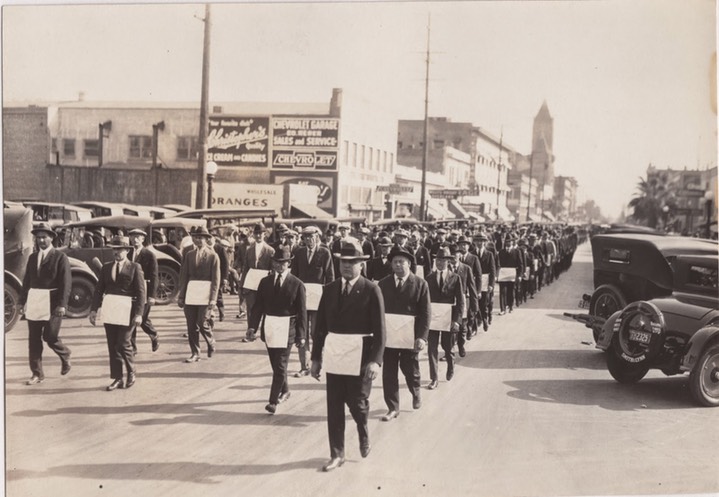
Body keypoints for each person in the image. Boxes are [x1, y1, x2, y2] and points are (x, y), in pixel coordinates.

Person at [311, 240, 385, 472]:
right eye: (343, 262)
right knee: (334, 406)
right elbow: (320, 326)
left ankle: (363, 432)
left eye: (352, 262)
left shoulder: (372, 289)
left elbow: (381, 330)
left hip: (360, 355)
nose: (346, 266)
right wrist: (315, 358)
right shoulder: (330, 289)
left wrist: (375, 360)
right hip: (335, 353)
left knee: (358, 403)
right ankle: (337, 454)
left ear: (361, 265)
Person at [248, 246, 307, 414]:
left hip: (288, 328)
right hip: (270, 328)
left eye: (284, 263)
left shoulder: (297, 284)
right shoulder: (265, 282)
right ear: (273, 263)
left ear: (289, 264)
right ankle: (286, 390)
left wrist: (301, 335)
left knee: (280, 365)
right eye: (277, 262)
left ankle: (273, 401)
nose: (280, 266)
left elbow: (302, 313)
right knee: (276, 365)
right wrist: (252, 326)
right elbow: (258, 307)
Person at [377, 246, 430, 421]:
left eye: (401, 262)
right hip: (390, 337)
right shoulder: (383, 284)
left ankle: (415, 392)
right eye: (395, 262)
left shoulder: (421, 284)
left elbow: (426, 313)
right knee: (389, 373)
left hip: (410, 337)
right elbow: (377, 311)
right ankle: (393, 407)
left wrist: (422, 337)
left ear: (409, 264)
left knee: (410, 369)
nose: (398, 265)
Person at [89, 235, 146, 391]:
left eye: (119, 249)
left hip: (128, 310)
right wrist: (93, 310)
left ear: (127, 251)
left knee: (123, 343)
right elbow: (99, 290)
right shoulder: (107, 267)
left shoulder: (135, 267)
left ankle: (131, 371)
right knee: (112, 345)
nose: (116, 252)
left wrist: (139, 313)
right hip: (111, 309)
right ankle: (117, 378)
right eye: (114, 249)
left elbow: (141, 292)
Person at [19, 222, 72, 385]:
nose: (41, 240)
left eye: (44, 237)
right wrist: (22, 302)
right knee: (34, 339)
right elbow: (27, 280)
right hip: (35, 300)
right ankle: (37, 373)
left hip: (53, 303)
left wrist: (62, 304)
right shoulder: (33, 257)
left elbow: (66, 282)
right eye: (38, 238)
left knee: (50, 336)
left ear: (51, 238)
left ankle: (65, 354)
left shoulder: (60, 257)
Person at [290, 225, 334, 377]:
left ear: (317, 237)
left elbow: (330, 277)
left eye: (311, 236)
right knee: (302, 333)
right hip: (301, 298)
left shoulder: (325, 253)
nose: (308, 239)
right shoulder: (298, 253)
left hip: (318, 299)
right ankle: (304, 366)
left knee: (316, 332)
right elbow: (294, 276)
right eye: (305, 236)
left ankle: (318, 363)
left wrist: (328, 298)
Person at [177, 226, 220, 362]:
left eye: (200, 237)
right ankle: (195, 352)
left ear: (206, 239)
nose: (198, 240)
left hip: (205, 293)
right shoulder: (189, 255)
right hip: (191, 293)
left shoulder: (213, 256)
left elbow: (216, 280)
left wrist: (213, 299)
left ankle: (210, 340)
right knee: (191, 325)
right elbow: (184, 276)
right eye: (195, 237)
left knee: (202, 322)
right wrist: (181, 296)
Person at [425, 247, 464, 390]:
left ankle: (450, 365)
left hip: (448, 318)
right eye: (438, 260)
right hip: (433, 319)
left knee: (447, 347)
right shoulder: (429, 278)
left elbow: (460, 301)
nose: (440, 263)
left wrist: (457, 321)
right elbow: (425, 300)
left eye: (443, 260)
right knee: (432, 349)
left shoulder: (455, 278)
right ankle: (434, 378)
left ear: (448, 261)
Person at [240, 223, 275, 341]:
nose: (258, 235)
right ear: (253, 235)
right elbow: (246, 268)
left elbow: (273, 269)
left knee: (265, 308)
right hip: (251, 282)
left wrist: (272, 284)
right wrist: (242, 284)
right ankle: (251, 332)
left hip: (264, 282)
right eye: (256, 233)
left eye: (261, 233)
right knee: (251, 308)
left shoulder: (270, 250)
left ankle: (265, 333)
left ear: (264, 234)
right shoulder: (249, 250)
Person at [128, 228, 160, 354]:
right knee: (130, 317)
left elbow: (154, 276)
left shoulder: (149, 254)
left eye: (138, 237)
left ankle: (154, 335)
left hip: (145, 290)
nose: (135, 239)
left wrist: (152, 296)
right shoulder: (128, 253)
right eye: (133, 237)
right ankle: (132, 348)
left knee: (142, 317)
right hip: (130, 291)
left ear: (143, 239)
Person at [474, 233, 496, 331]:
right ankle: (478, 320)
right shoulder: (472, 253)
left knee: (484, 302)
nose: (479, 243)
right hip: (474, 280)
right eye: (477, 241)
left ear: (484, 242)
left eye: (481, 241)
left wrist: (491, 284)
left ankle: (485, 318)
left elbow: (493, 270)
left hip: (485, 280)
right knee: (475, 302)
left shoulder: (489, 254)